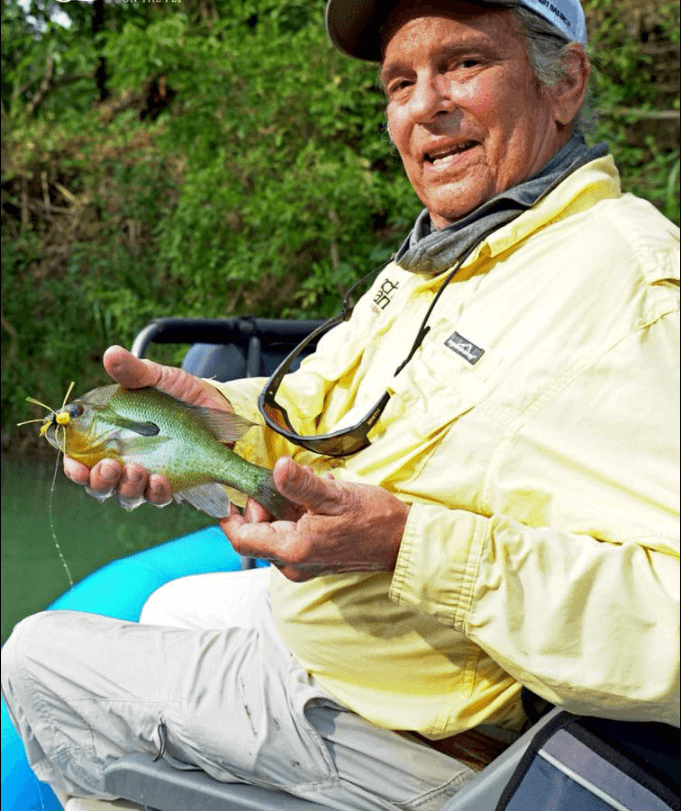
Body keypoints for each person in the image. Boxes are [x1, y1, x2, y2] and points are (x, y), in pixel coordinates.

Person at [3, 0, 679, 809]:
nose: (425, 105)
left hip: (440, 735)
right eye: (400, 80)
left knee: (38, 656)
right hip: (355, 639)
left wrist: (403, 546)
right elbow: (327, 405)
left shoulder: (629, 290)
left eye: (463, 63)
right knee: (171, 601)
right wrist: (211, 409)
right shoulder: (449, 257)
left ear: (563, 81)